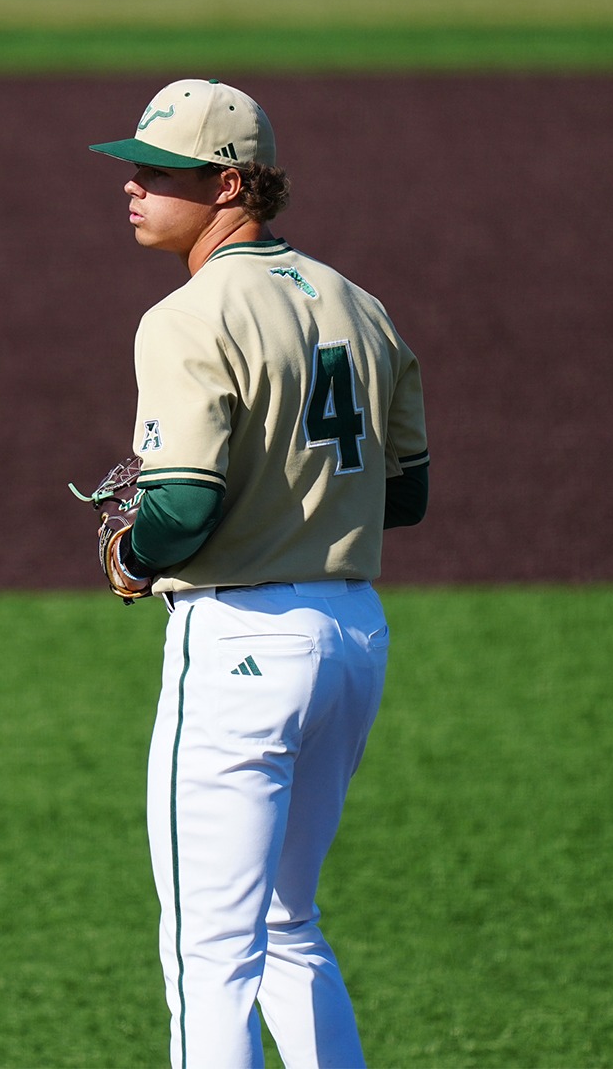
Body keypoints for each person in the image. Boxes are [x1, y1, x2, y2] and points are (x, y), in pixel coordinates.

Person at [87, 79, 430, 1069]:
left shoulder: (186, 317)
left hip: (241, 647)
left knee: (209, 955)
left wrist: (130, 556)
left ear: (231, 184)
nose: (134, 186)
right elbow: (401, 500)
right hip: (353, 639)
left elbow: (183, 508)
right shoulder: (361, 307)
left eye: (160, 172)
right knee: (288, 925)